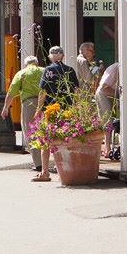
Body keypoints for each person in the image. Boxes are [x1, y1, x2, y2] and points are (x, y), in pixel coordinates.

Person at [34, 46, 79, 182]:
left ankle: (45, 172)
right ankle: (68, 171)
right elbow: (76, 91)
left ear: (50, 57)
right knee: (67, 140)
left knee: (46, 141)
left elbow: (42, 92)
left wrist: (38, 109)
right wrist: (77, 107)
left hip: (51, 111)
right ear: (63, 56)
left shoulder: (48, 70)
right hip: (68, 110)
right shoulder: (70, 70)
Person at [6, 56, 44, 171]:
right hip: (45, 102)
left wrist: (5, 108)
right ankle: (49, 162)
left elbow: (11, 92)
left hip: (28, 104)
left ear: (25, 64)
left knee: (30, 132)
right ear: (37, 63)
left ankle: (38, 164)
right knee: (46, 131)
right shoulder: (44, 71)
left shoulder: (21, 73)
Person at [96, 62, 121, 158]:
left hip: (112, 94)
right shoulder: (116, 68)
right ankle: (107, 148)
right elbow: (104, 87)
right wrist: (119, 94)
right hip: (103, 94)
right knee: (107, 121)